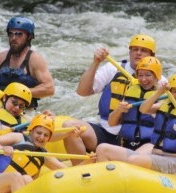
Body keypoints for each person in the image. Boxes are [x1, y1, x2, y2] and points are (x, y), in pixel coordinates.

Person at [62, 34, 159, 165]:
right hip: (107, 131)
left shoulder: (159, 82)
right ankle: (80, 173)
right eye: (135, 49)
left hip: (138, 138)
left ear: (152, 55)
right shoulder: (113, 68)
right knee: (69, 128)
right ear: (129, 51)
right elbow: (82, 92)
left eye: (144, 50)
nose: (138, 53)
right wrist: (96, 62)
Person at [96, 73, 176, 174]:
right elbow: (143, 109)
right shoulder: (163, 105)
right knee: (103, 149)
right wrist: (159, 92)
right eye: (175, 91)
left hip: (172, 162)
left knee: (134, 160)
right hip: (153, 154)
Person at [0, 16, 55, 111]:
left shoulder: (35, 59)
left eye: (18, 34)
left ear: (29, 36)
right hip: (0, 110)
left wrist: (19, 93)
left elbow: (49, 89)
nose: (13, 38)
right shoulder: (0, 58)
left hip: (24, 112)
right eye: (11, 34)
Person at [108, 56, 162, 153]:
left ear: (157, 76)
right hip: (125, 142)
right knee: (102, 149)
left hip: (150, 145)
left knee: (134, 158)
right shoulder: (129, 90)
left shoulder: (163, 97)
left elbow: (146, 109)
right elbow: (111, 123)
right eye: (140, 75)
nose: (143, 79)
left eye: (148, 75)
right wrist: (118, 110)